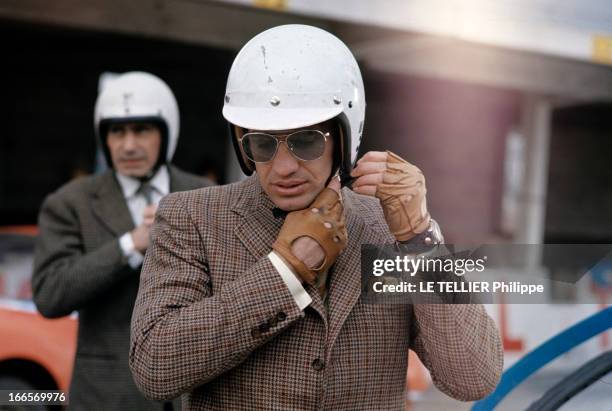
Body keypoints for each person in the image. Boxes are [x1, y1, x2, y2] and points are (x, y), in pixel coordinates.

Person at [129, 26, 503, 410]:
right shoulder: (191, 217)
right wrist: (285, 271)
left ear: (343, 138)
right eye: (262, 143)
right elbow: (155, 369)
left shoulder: (388, 229)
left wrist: (419, 238)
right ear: (241, 142)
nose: (283, 167)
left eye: (305, 140)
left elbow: (473, 378)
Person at [32, 71, 213, 410]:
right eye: (117, 131)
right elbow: (49, 294)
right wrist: (133, 244)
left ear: (166, 133)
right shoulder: (71, 202)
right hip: (107, 396)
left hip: (196, 394)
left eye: (141, 130)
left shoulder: (205, 195)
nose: (128, 144)